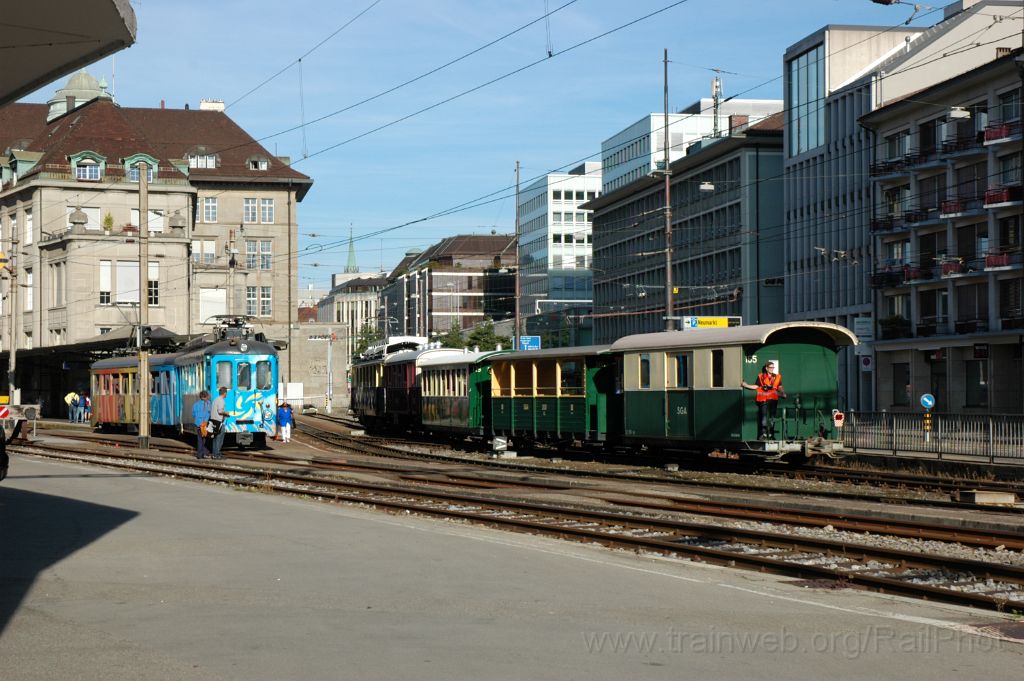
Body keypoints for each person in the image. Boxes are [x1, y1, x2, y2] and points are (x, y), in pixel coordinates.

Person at [741, 361, 785, 439]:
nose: (772, 369)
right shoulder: (761, 376)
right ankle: (763, 434)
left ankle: (771, 434)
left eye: (773, 367)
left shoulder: (777, 377)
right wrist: (746, 385)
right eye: (770, 367)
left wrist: (782, 393)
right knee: (764, 417)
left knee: (772, 417)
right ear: (766, 368)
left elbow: (780, 387)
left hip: (773, 400)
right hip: (763, 399)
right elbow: (756, 386)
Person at [209, 386, 234, 459]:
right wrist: (226, 413)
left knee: (215, 438)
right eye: (226, 393)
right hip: (219, 422)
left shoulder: (215, 400)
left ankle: (214, 454)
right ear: (225, 393)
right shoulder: (221, 401)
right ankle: (216, 454)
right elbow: (220, 411)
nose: (227, 395)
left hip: (214, 421)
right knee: (219, 439)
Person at [191, 390, 212, 459]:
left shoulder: (195, 404)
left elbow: (193, 414)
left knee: (199, 439)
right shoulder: (208, 403)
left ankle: (200, 454)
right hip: (205, 424)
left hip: (198, 424)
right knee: (205, 439)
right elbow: (209, 413)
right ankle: (204, 453)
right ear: (206, 397)